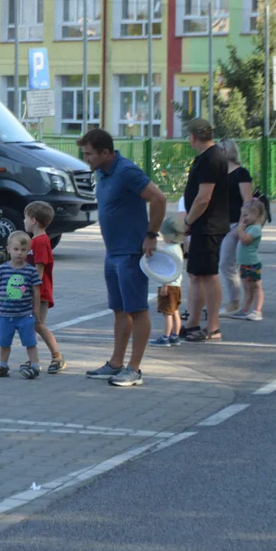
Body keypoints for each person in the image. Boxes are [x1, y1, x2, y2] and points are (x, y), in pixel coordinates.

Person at [78, 128, 166, 388]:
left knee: (137, 309)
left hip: (130, 253)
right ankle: (116, 363)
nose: (87, 159)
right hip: (112, 252)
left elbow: (159, 198)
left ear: (106, 152)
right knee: (119, 310)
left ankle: (134, 369)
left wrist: (151, 234)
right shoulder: (102, 173)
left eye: (90, 154)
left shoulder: (126, 171)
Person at [181, 119, 229, 343]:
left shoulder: (212, 157)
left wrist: (188, 220)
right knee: (196, 274)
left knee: (209, 275)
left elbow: (204, 197)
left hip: (208, 224)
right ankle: (192, 324)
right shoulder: (207, 157)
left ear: (193, 136)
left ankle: (213, 327)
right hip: (203, 225)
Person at [0, 231, 43, 379]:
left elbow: (36, 291)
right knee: (4, 342)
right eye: (16, 249)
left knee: (30, 342)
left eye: (23, 250)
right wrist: (3, 296)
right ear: (8, 249)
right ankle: (3, 366)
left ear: (28, 251)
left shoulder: (30, 271)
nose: (19, 253)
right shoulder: (2, 269)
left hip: (25, 314)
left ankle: (35, 365)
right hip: (5, 315)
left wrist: (36, 311)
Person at [24, 201, 67, 373]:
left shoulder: (40, 242)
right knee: (31, 325)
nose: (24, 221)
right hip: (33, 292)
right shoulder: (35, 241)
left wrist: (31, 290)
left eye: (25, 217)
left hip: (39, 293)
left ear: (33, 220)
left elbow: (39, 269)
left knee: (38, 324)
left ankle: (57, 356)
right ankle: (33, 360)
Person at [218, 139, 253, 316]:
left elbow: (247, 201)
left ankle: (234, 302)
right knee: (224, 264)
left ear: (227, 151)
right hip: (219, 224)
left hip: (235, 225)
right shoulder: (219, 174)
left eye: (219, 149)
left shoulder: (241, 173)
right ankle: (233, 301)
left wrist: (240, 226)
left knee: (226, 263)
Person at [150, 215, 185, 346]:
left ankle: (165, 337)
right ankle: (175, 336)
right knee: (175, 311)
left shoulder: (169, 250)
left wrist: (165, 284)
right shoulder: (178, 249)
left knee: (167, 313)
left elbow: (168, 270)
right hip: (177, 285)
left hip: (168, 284)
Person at [228, 199, 266, 321]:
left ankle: (257, 311)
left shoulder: (255, 229)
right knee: (247, 288)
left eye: (245, 215)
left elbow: (245, 240)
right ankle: (245, 310)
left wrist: (240, 229)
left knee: (256, 287)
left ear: (255, 213)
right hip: (244, 263)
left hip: (252, 263)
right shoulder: (248, 227)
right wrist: (240, 230)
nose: (242, 218)